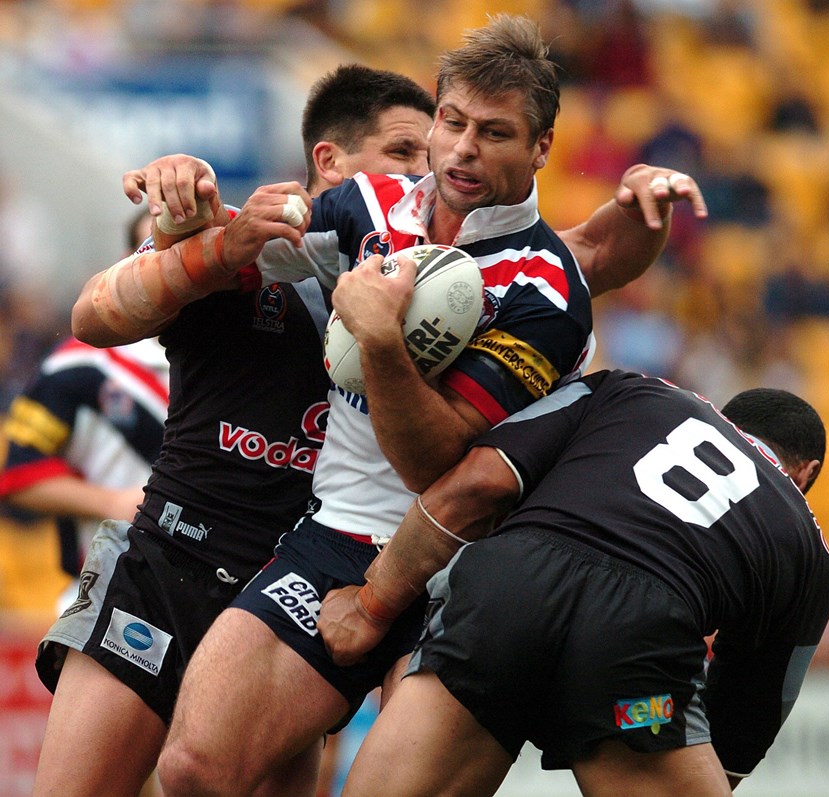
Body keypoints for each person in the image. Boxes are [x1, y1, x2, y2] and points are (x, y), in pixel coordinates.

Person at [106, 15, 709, 797]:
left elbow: (434, 460)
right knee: (195, 767)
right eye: (452, 121)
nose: (461, 148)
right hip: (338, 534)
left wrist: (383, 342)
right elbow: (237, 261)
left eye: (494, 132)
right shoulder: (368, 200)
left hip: (466, 566)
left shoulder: (545, 291)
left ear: (540, 149)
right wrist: (184, 206)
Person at [32, 65, 436, 797]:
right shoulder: (245, 246)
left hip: (297, 597)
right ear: (330, 163)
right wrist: (186, 207)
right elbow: (92, 316)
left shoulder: (436, 291)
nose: (424, 175)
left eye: (430, 159)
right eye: (405, 153)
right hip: (169, 565)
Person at [317, 371, 829, 796]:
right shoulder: (809, 549)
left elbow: (481, 482)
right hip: (632, 668)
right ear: (807, 472)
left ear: (721, 417)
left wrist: (370, 606)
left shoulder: (634, 390)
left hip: (504, 598)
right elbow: (751, 711)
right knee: (646, 719)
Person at [0, 209, 167, 613]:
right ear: (128, 264)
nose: (176, 265)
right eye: (158, 249)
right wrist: (111, 503)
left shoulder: (234, 362)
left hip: (212, 598)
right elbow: (18, 474)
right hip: (103, 593)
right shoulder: (79, 366)